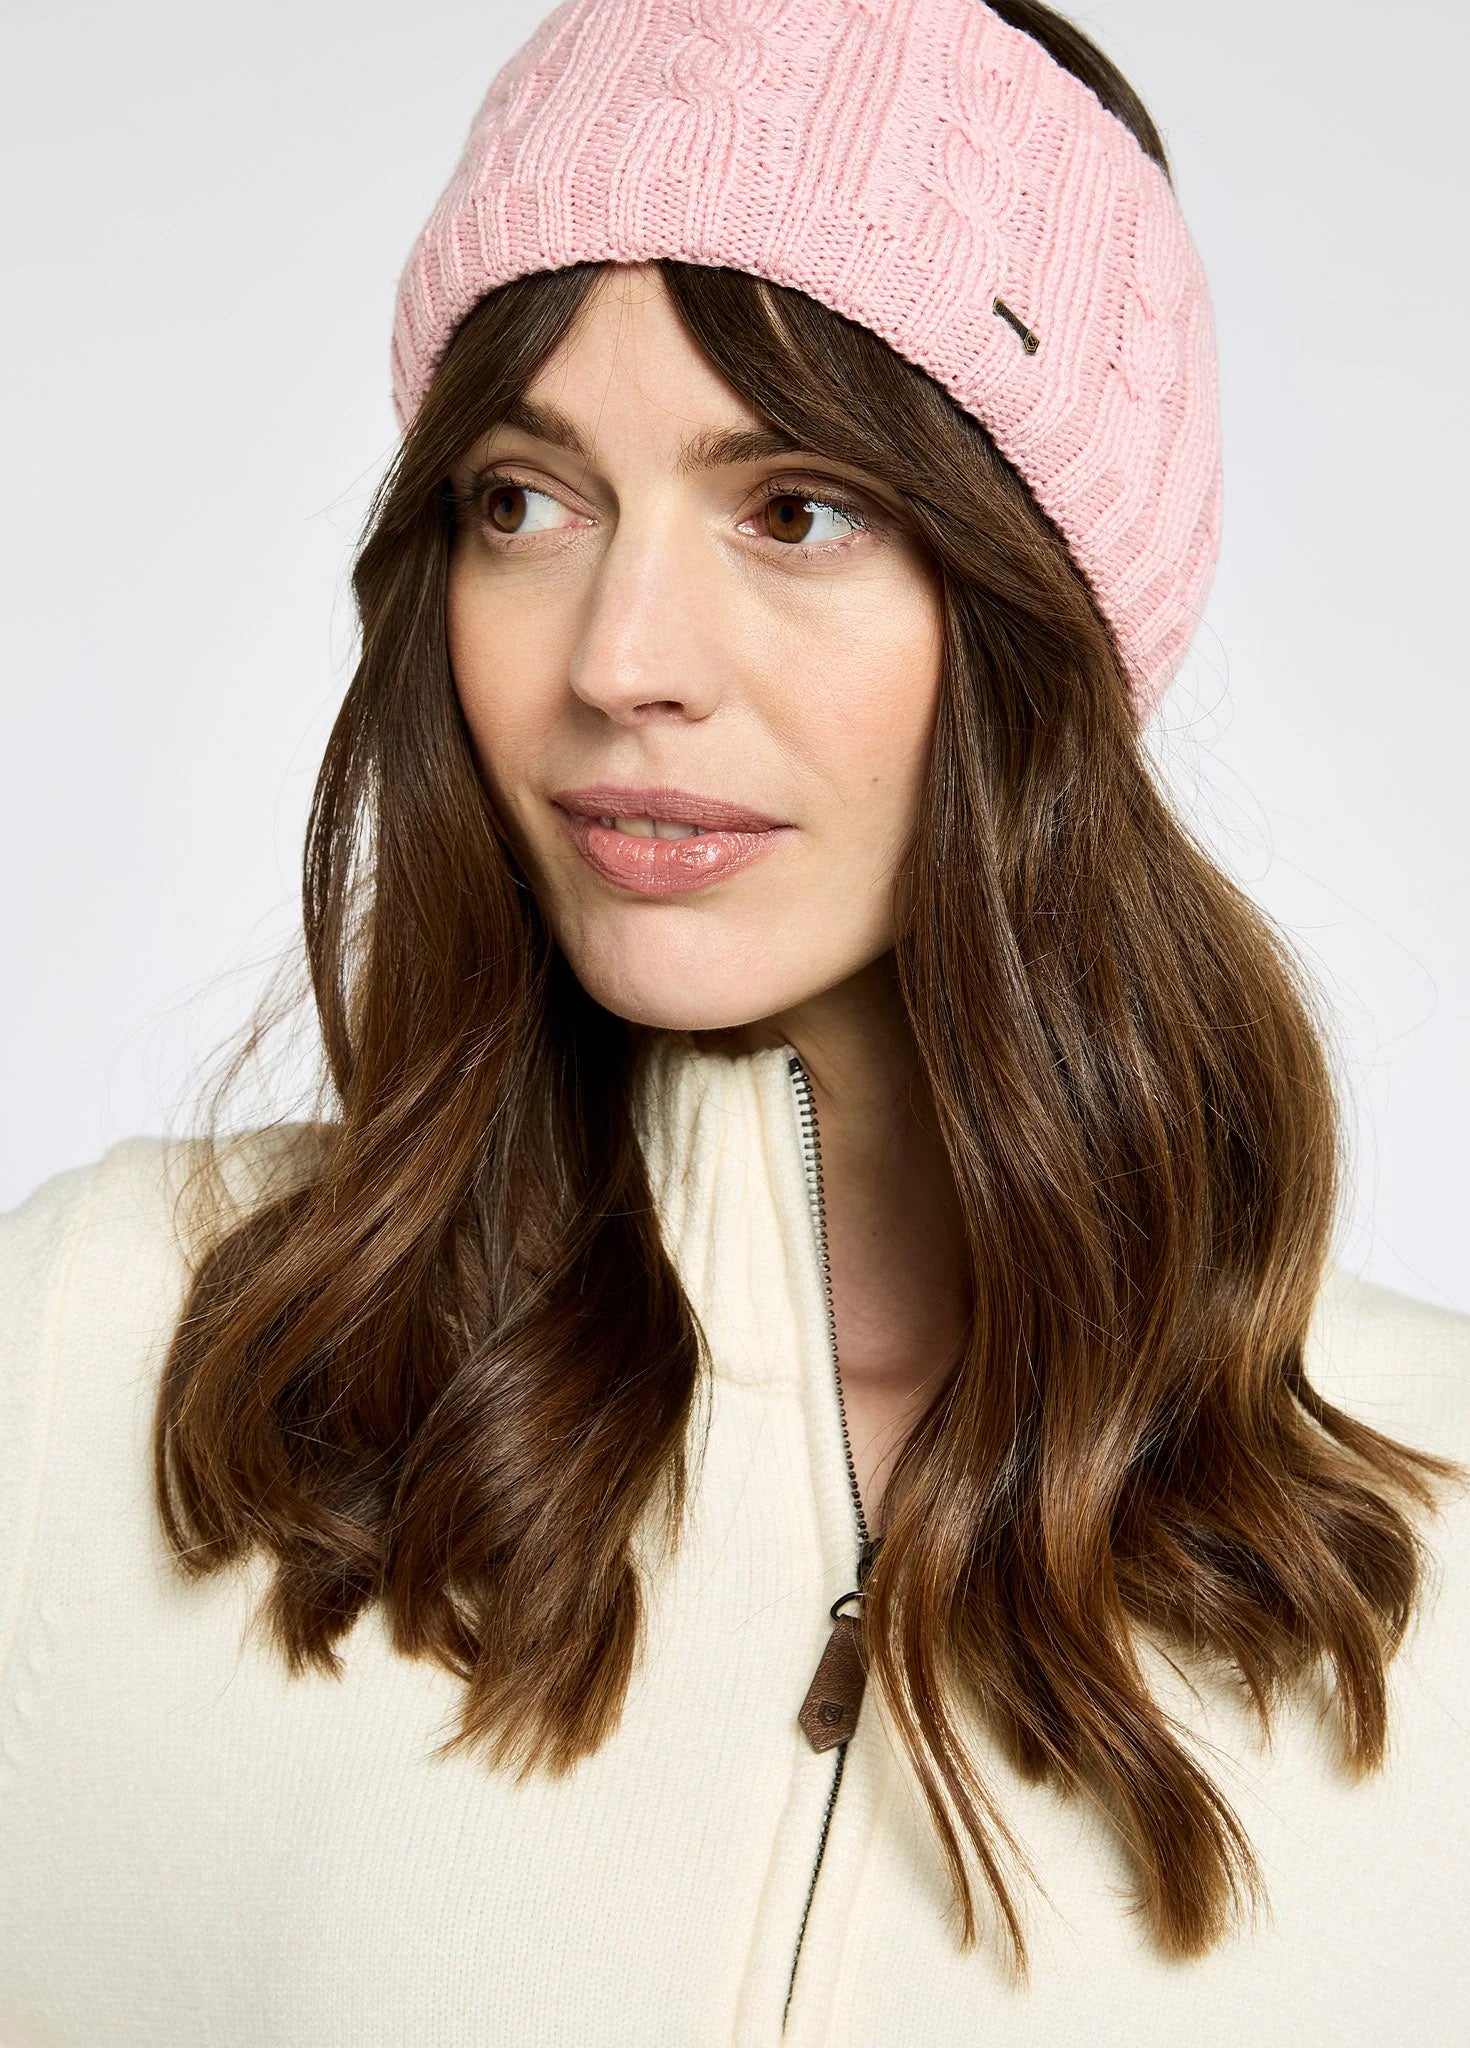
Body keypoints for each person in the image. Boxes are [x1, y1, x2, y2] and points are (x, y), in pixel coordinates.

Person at [2, 1, 1467, 2042]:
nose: (623, 659)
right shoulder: (105, 1349)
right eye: (527, 499)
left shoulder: (1440, 1524)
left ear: (1046, 609)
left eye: (795, 509)